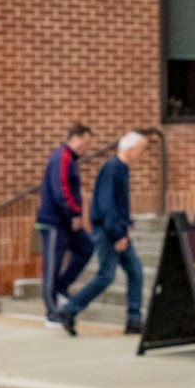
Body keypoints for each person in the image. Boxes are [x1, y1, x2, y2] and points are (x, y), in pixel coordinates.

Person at [52, 130, 148, 335]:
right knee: (105, 276)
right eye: (141, 149)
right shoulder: (113, 168)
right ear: (130, 149)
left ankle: (134, 319)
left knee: (135, 271)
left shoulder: (120, 168)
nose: (142, 154)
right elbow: (106, 205)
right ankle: (68, 310)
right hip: (108, 231)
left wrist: (126, 226)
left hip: (117, 229)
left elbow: (118, 204)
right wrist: (118, 234)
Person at [32, 124, 94, 321]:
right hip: (54, 221)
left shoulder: (70, 159)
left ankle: (61, 287)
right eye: (85, 142)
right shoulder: (62, 157)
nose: (87, 147)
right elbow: (62, 190)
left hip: (66, 221)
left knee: (87, 247)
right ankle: (52, 311)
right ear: (75, 138)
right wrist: (74, 213)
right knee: (53, 264)